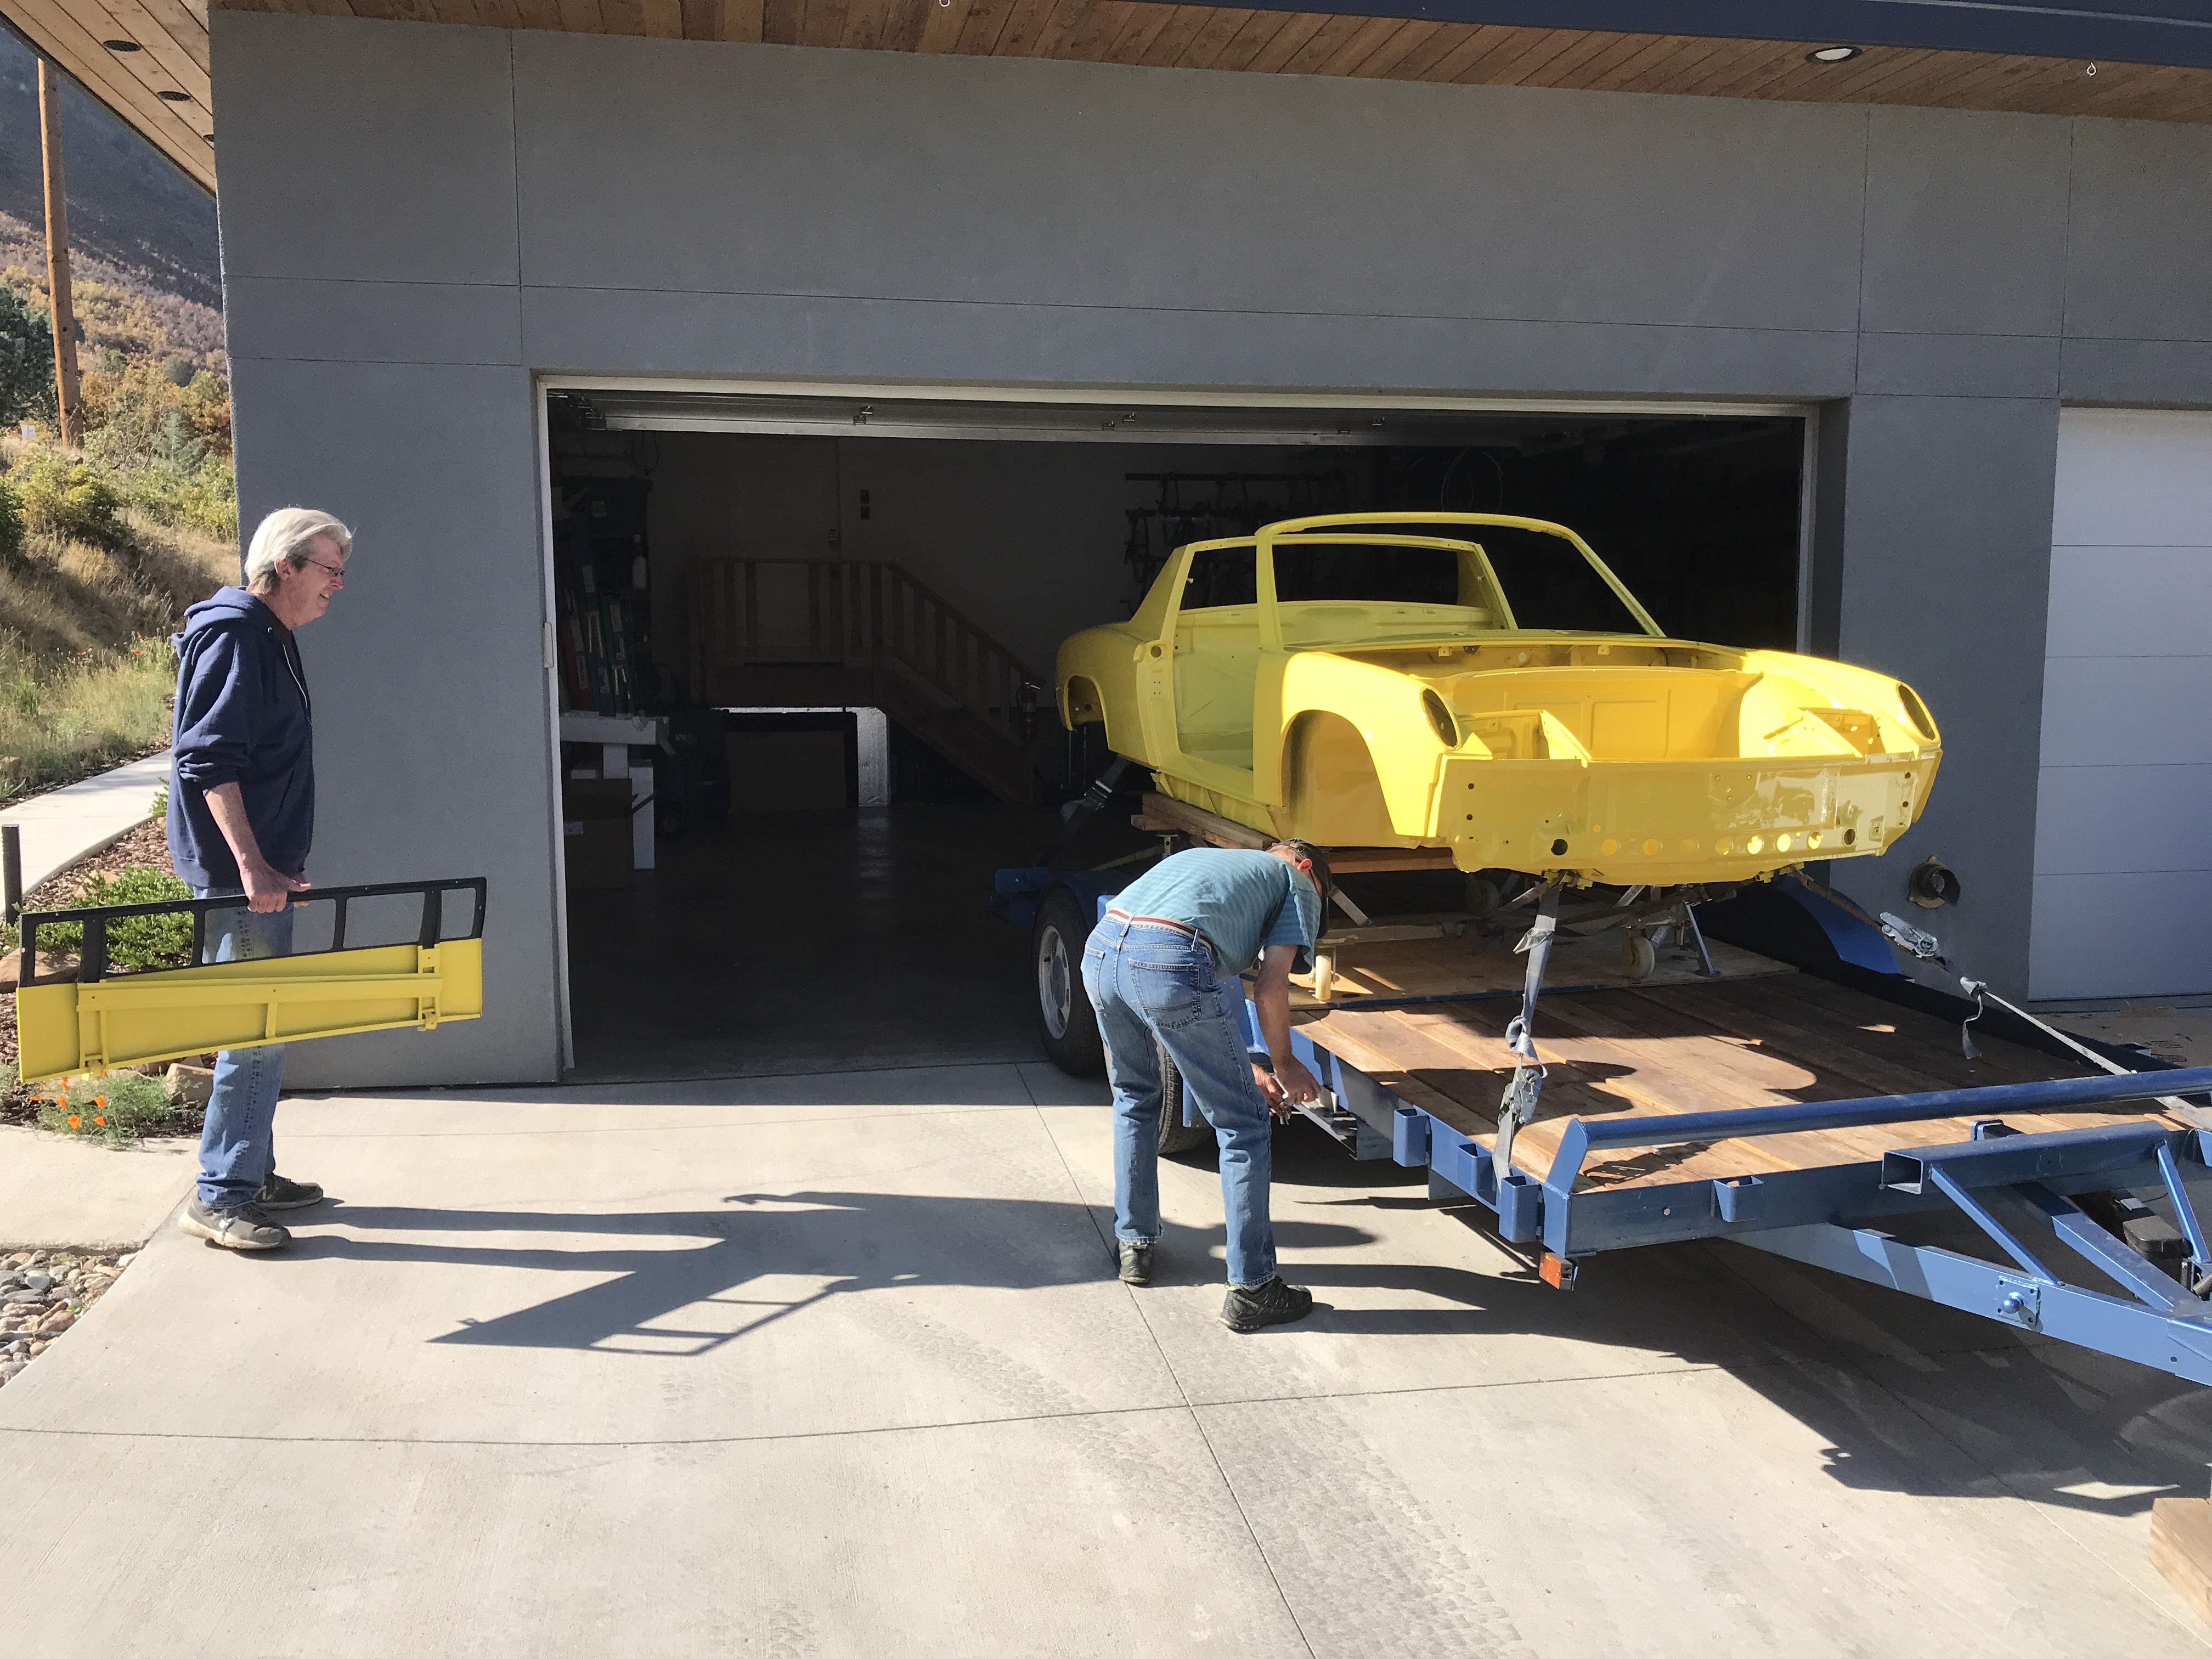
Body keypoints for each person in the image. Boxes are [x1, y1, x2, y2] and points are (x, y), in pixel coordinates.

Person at [167, 507, 352, 1251]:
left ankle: (251, 1172)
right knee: (254, 1035)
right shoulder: (238, 636)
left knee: (265, 1028)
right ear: (285, 567)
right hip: (244, 881)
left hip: (264, 874)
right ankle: (221, 1196)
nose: (339, 584)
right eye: (329, 569)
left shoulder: (270, 635)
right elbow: (208, 760)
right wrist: (251, 865)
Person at [1082, 839, 1330, 1333]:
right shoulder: (1296, 882)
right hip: (1167, 961)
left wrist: (1244, 1063)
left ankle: (1134, 1246)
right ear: (1305, 866)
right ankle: (1254, 1289)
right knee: (1244, 1126)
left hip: (1102, 951)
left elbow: (1189, 972)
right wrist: (1285, 1065)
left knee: (1135, 1097)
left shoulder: (1205, 862)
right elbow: (1270, 987)